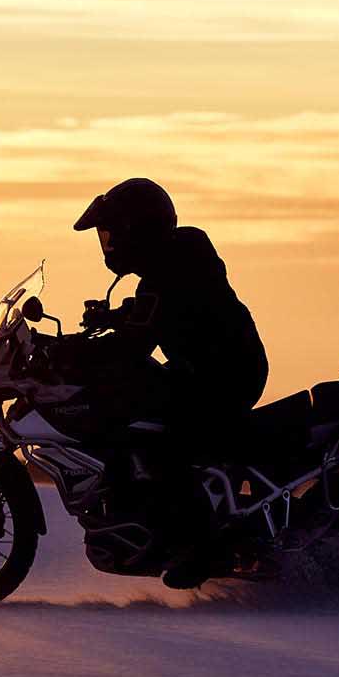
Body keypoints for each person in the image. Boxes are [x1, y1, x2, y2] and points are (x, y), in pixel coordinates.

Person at [71, 177, 268, 586]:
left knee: (162, 444)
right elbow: (151, 312)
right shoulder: (174, 261)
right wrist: (112, 318)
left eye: (112, 233)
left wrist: (73, 352)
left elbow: (139, 339)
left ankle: (204, 549)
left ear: (138, 229)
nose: (108, 244)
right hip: (206, 369)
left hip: (225, 376)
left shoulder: (174, 267)